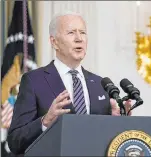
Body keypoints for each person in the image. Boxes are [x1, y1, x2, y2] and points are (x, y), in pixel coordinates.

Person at [7, 11, 132, 155]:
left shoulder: (100, 84)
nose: (79, 39)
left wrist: (119, 122)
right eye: (71, 32)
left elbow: (105, 140)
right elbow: (15, 141)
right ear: (54, 42)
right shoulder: (33, 81)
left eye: (83, 32)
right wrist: (45, 121)